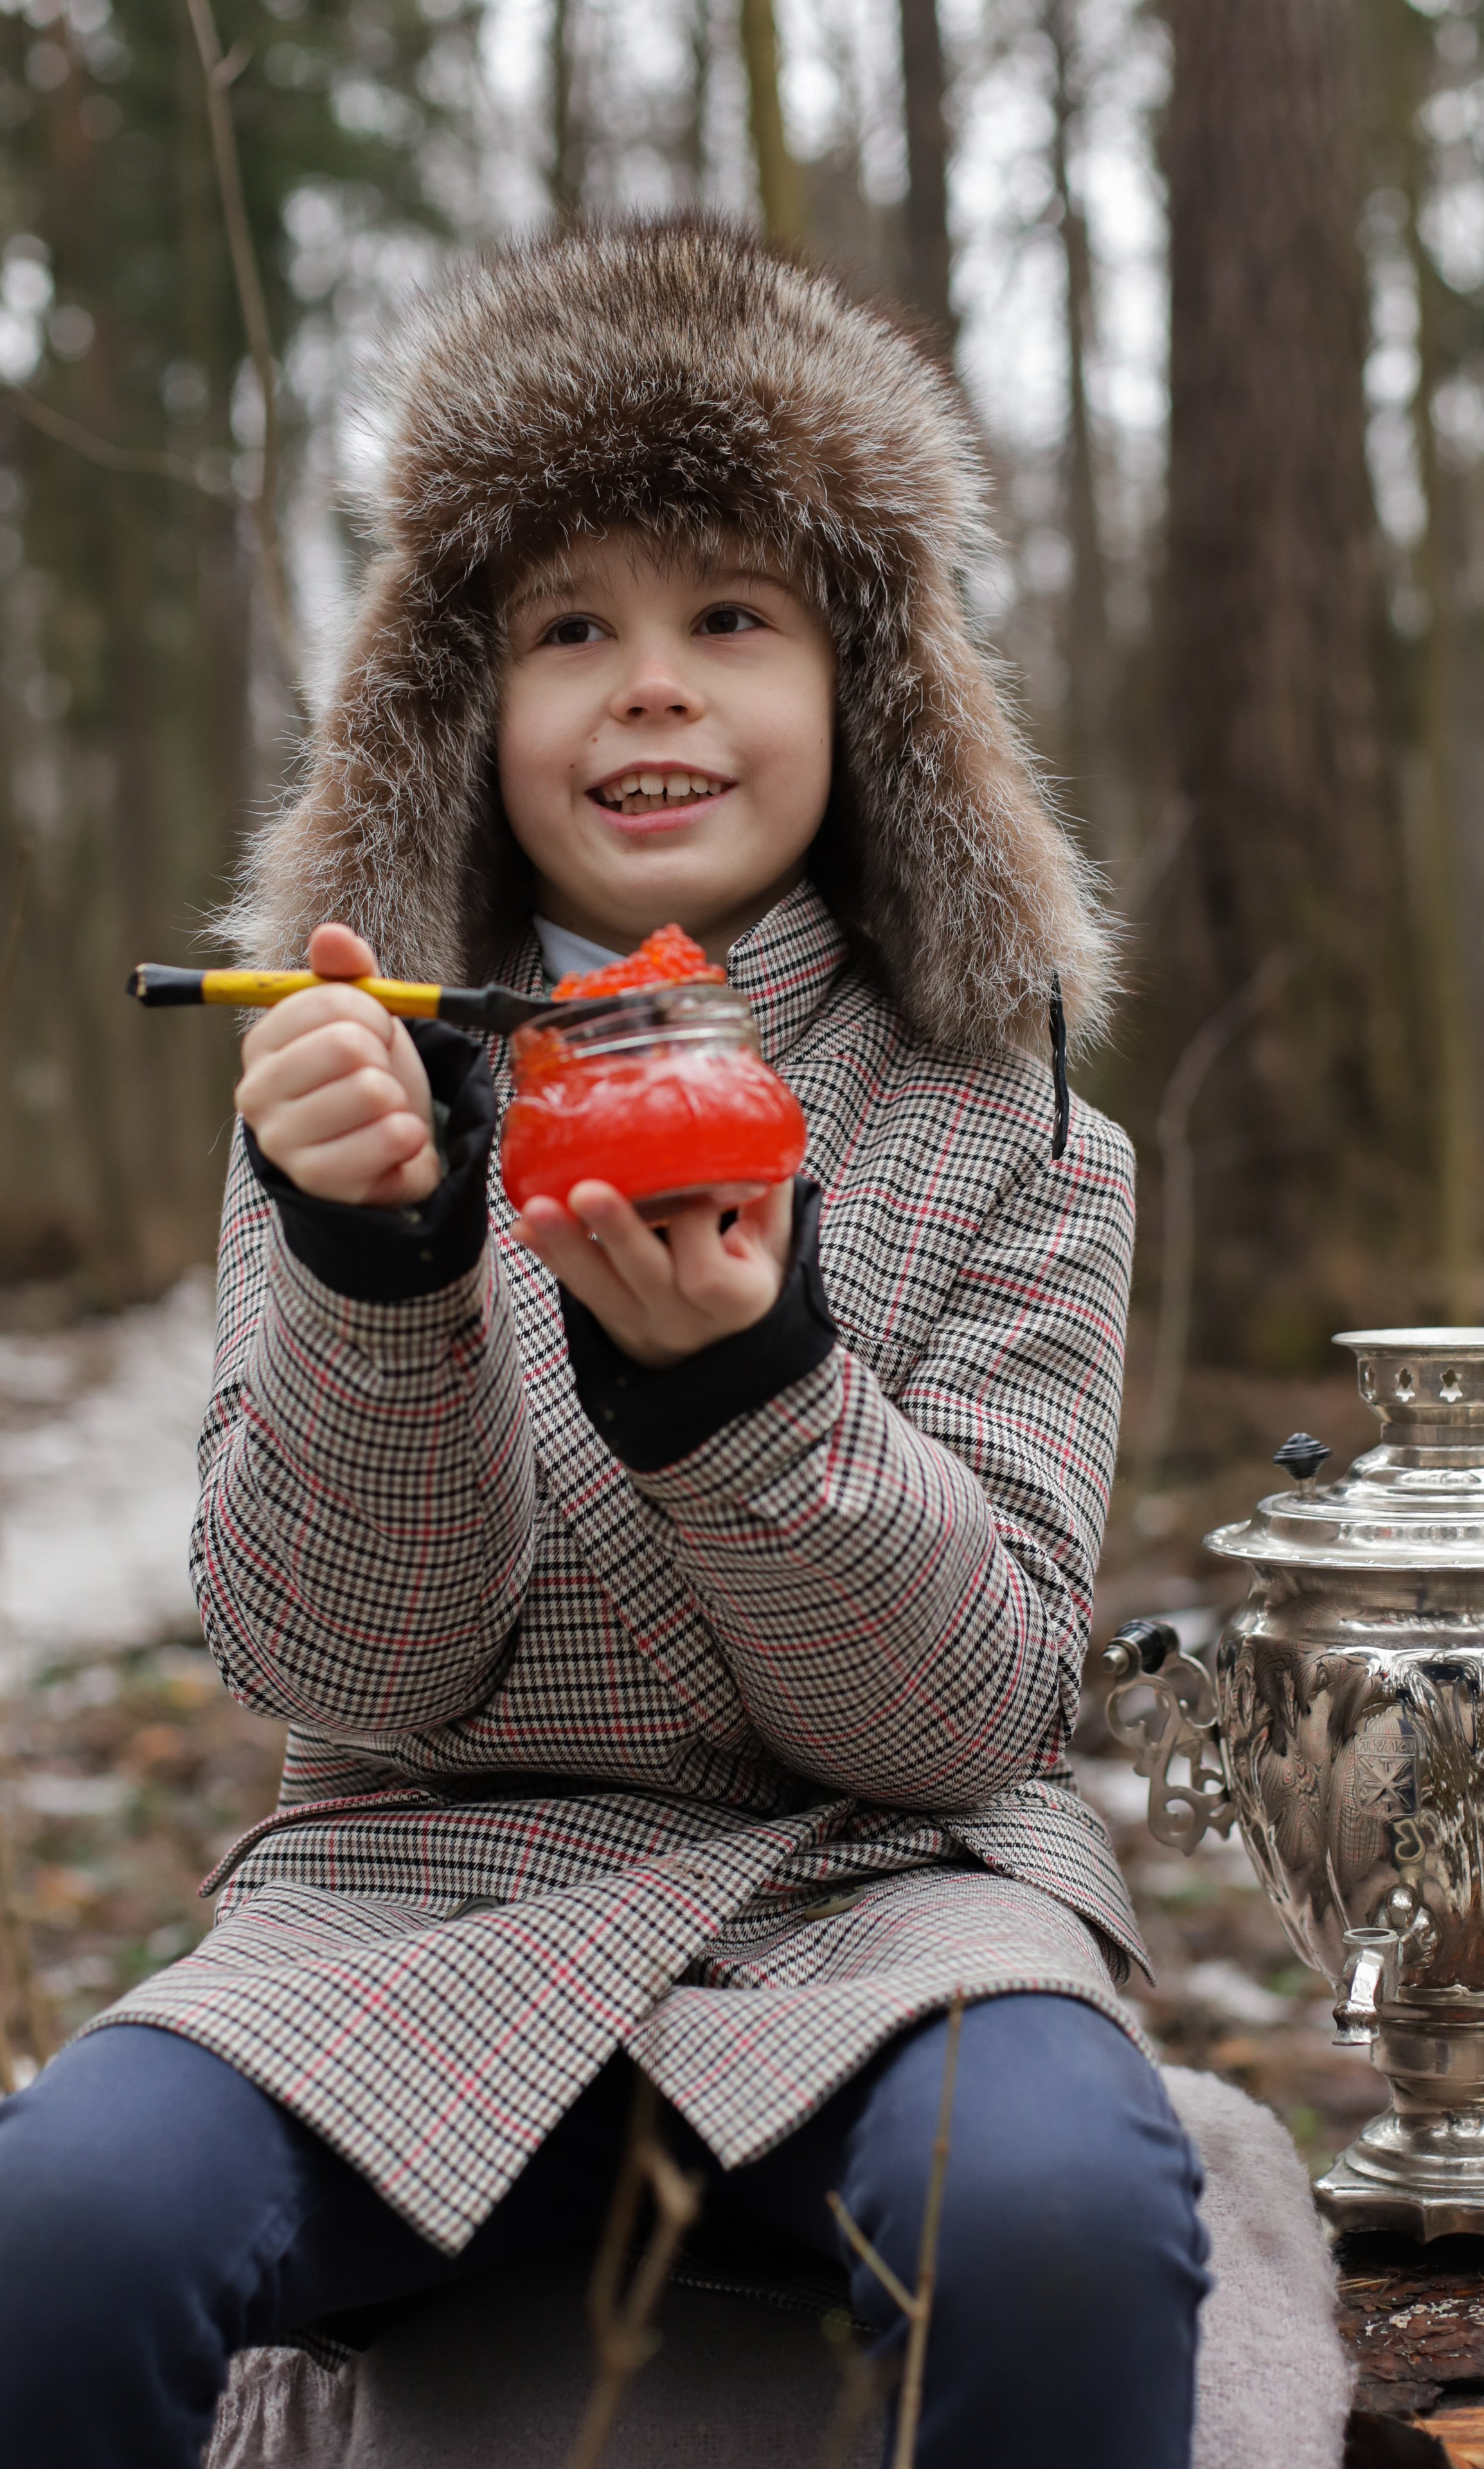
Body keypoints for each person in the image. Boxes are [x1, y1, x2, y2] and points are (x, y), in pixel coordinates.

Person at [0, 218, 1208, 2468]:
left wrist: (747, 1398)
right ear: (470, 710)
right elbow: (333, 1668)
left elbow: (969, 1717)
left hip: (888, 1912)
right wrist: (380, 1275)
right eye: (572, 629)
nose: (649, 686)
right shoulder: (354, 1091)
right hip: (416, 1902)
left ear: (876, 700)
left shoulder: (1019, 1133)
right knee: (61, 2213)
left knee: (1060, 2215)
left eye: (730, 617)